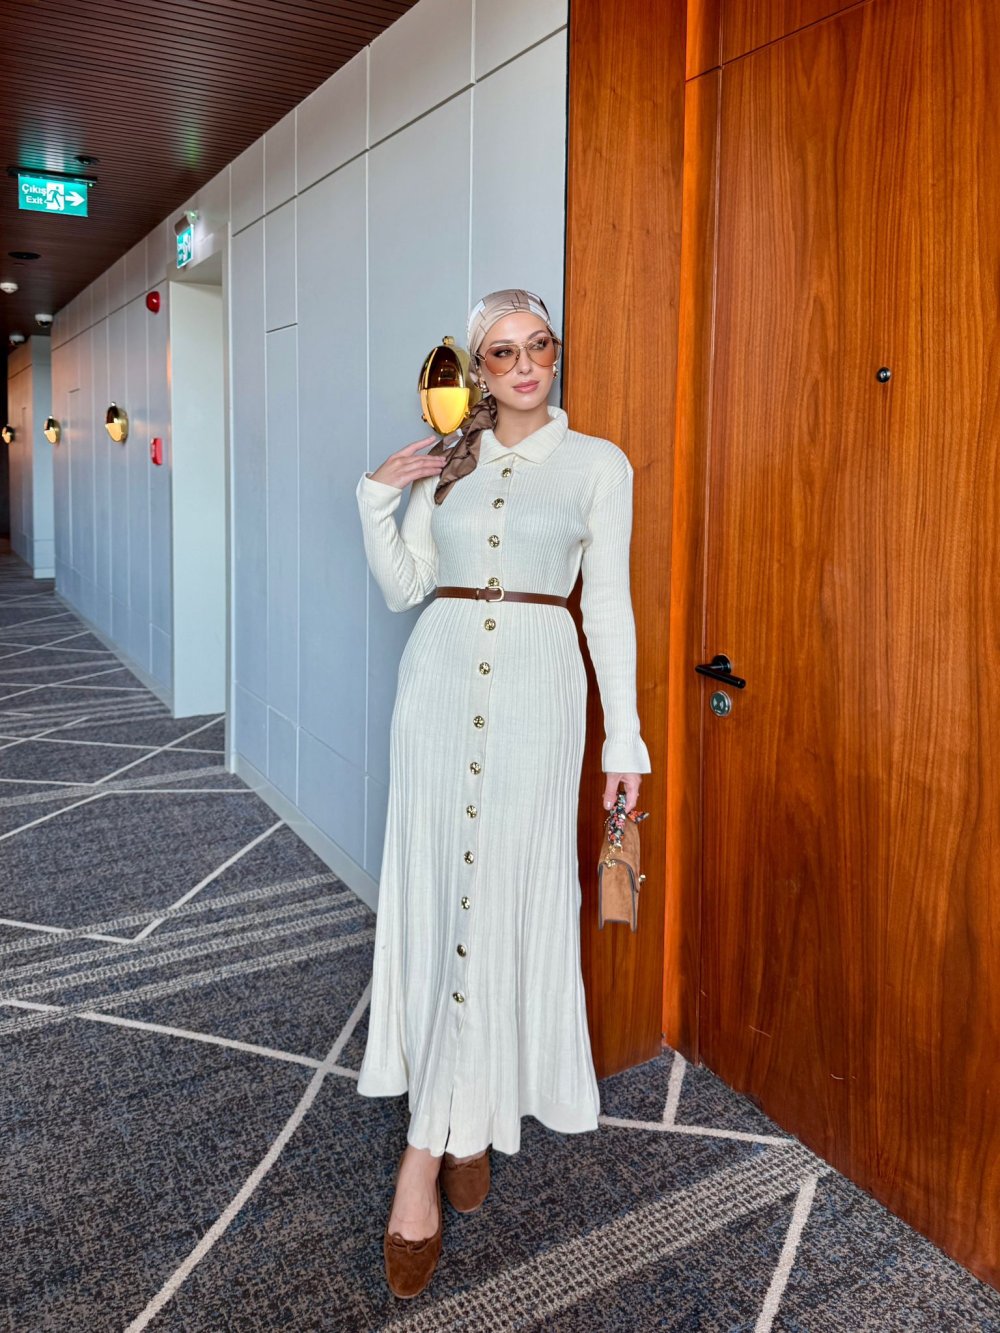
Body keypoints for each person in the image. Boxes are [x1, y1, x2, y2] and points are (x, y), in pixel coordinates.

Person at [355, 289, 650, 1298]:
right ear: (478, 367)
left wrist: (624, 740)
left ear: (554, 354)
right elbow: (404, 587)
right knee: (446, 899)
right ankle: (450, 1133)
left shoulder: (598, 465)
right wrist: (376, 496)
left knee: (503, 898)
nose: (525, 365)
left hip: (537, 688)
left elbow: (607, 605)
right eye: (502, 352)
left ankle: (433, 1148)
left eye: (539, 346)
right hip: (437, 686)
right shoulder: (453, 461)